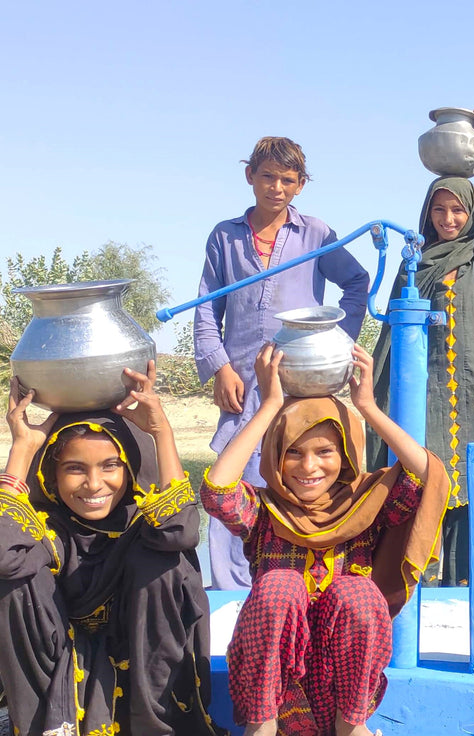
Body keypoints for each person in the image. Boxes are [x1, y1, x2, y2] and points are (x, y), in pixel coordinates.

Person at [201, 343, 448, 736]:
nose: (309, 467)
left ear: (347, 453)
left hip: (341, 678)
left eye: (325, 452)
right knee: (280, 585)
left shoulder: (367, 501)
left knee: (360, 594)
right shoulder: (265, 510)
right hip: (274, 684)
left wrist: (367, 407)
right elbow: (216, 492)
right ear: (275, 455)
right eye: (293, 452)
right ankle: (260, 726)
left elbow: (425, 476)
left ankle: (353, 727)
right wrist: (268, 407)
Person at [0, 367, 224, 736]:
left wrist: (161, 433)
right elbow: (5, 557)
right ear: (51, 475)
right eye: (74, 468)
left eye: (110, 466)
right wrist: (22, 450)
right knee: (12, 580)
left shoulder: (141, 523)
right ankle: (43, 723)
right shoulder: (45, 527)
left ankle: (161, 723)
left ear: (129, 468)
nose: (94, 484)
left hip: (142, 661)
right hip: (61, 665)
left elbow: (181, 532)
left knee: (164, 562)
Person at [367, 110, 474, 586]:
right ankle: (424, 583)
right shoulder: (413, 263)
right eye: (439, 210)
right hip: (426, 393)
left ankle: (470, 584)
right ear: (427, 213)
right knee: (427, 483)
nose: (449, 219)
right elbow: (392, 331)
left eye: (458, 210)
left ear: (471, 213)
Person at [194, 136, 370, 589]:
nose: (276, 187)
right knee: (235, 472)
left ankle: (288, 578)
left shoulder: (316, 234)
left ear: (301, 185)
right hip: (243, 378)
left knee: (297, 468)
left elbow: (357, 281)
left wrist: (337, 341)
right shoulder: (225, 236)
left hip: (301, 379)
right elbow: (206, 308)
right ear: (249, 176)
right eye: (268, 176)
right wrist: (219, 367)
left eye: (287, 180)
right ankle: (230, 587)